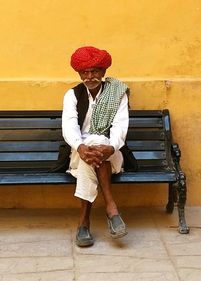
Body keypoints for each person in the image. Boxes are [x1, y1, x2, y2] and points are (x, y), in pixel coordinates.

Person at [62, 46, 129, 247]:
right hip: (79, 151)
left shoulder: (117, 93)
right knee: (91, 147)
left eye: (95, 71)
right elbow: (69, 127)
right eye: (85, 72)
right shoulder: (72, 95)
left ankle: (84, 222)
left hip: (112, 152)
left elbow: (120, 125)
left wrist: (111, 147)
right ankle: (111, 208)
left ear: (103, 72)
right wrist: (81, 147)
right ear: (79, 73)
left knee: (98, 145)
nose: (90, 76)